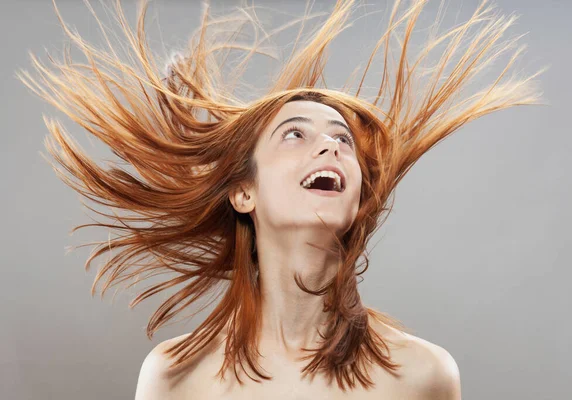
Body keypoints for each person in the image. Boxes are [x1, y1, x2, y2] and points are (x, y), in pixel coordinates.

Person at [18, 0, 545, 398]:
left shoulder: (422, 375)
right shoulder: (175, 377)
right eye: (295, 134)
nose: (330, 146)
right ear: (243, 191)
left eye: (342, 140)